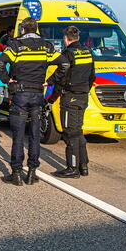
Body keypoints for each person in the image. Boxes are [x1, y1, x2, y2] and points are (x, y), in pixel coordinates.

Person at [0, 17, 56, 186]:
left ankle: (15, 173)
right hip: (37, 95)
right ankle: (32, 173)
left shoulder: (15, 45)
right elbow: (64, 63)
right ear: (36, 29)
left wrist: (7, 80)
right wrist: (50, 81)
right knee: (35, 135)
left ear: (22, 29)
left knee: (18, 136)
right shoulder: (47, 46)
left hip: (20, 94)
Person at [46, 25, 96, 178]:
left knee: (70, 134)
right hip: (82, 97)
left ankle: (72, 168)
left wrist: (51, 98)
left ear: (66, 39)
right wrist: (84, 91)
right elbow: (92, 76)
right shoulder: (88, 52)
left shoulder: (68, 54)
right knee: (78, 131)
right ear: (78, 38)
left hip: (70, 98)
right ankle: (83, 165)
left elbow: (61, 79)